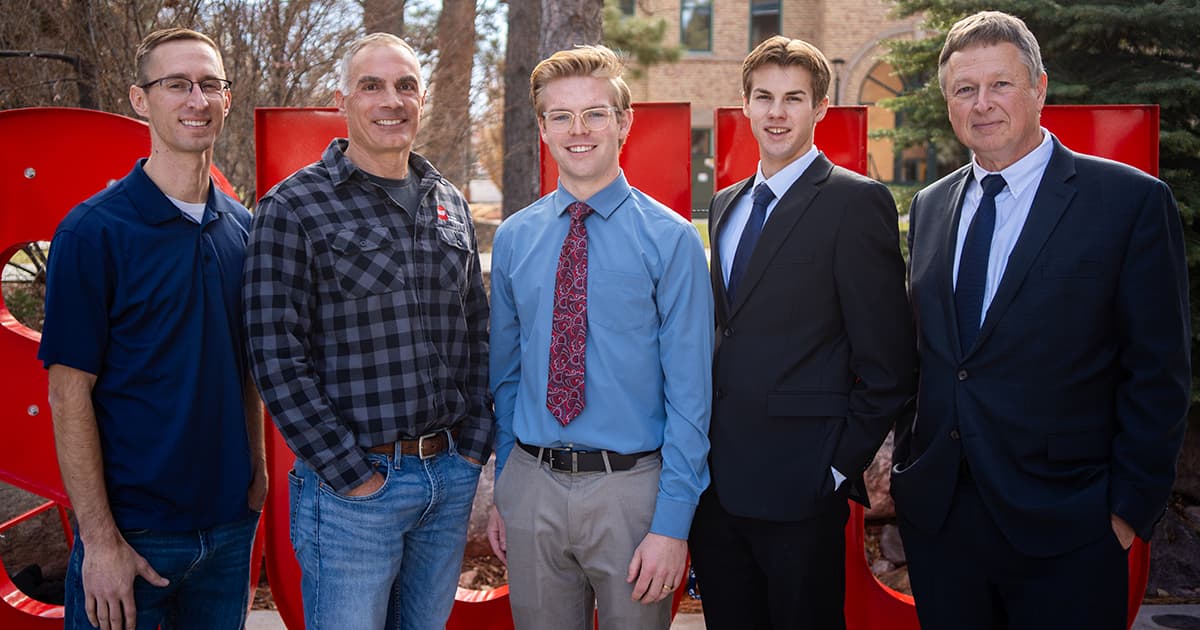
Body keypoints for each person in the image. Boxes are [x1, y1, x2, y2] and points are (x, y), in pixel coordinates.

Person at [892, 11, 1190, 629]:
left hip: (1070, 529)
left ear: (1039, 89)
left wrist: (1126, 513)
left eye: (1000, 84)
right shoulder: (930, 206)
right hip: (943, 525)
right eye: (964, 90)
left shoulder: (1128, 202)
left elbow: (1157, 371)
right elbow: (927, 355)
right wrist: (907, 476)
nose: (982, 105)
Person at [242, 32, 491, 629]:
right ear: (343, 101)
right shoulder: (293, 207)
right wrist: (354, 476)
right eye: (372, 86)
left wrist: (473, 446)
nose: (391, 100)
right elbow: (274, 355)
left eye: (406, 86)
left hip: (448, 479)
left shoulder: (448, 201)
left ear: (422, 99)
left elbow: (477, 329)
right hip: (356, 495)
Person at [687, 35, 916, 629]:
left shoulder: (855, 202)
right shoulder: (728, 203)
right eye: (763, 97)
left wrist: (837, 468)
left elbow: (888, 361)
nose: (777, 113)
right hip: (717, 487)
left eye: (794, 98)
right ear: (745, 104)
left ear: (820, 108)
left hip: (802, 487)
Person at [39, 27, 265, 630]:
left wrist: (257, 471)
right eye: (176, 85)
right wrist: (101, 542)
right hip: (132, 537)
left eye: (210, 84)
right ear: (140, 100)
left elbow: (246, 366)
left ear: (227, 97)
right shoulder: (93, 233)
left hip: (227, 530)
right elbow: (68, 395)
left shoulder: (242, 228)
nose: (197, 100)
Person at [486, 44, 713, 630]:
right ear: (542, 127)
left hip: (631, 495)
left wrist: (672, 524)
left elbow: (691, 397)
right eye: (560, 116)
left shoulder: (672, 240)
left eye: (595, 113)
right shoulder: (515, 238)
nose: (578, 130)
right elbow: (507, 375)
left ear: (624, 122)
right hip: (532, 487)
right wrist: (511, 487)